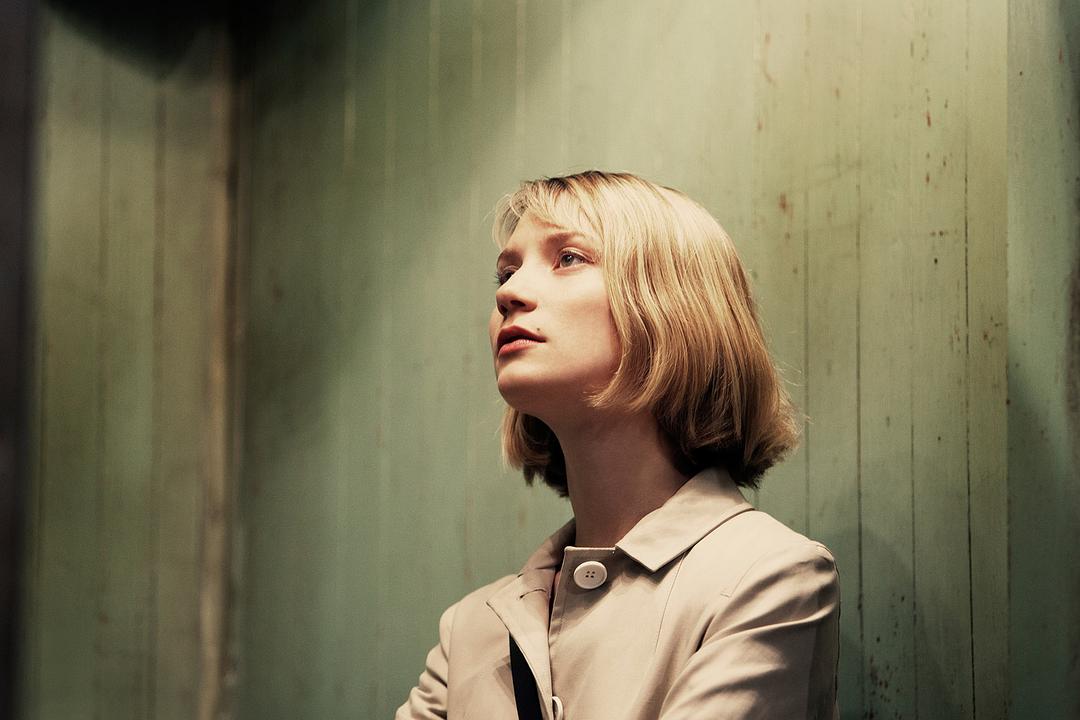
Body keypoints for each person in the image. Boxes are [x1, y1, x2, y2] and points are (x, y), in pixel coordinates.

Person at [395, 171, 840, 720]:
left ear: (673, 305)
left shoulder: (768, 578)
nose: (507, 293)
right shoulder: (470, 632)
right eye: (506, 272)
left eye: (568, 258)